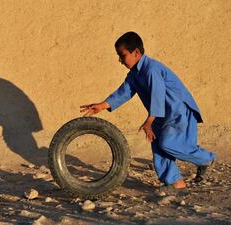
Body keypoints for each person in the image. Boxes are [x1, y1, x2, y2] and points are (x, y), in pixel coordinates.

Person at [80, 32, 215, 189]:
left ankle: (206, 159)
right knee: (158, 146)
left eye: (122, 56)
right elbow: (124, 92)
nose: (120, 61)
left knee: (169, 143)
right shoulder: (134, 75)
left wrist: (149, 121)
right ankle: (175, 182)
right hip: (160, 115)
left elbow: (157, 94)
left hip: (178, 112)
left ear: (136, 52)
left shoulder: (151, 69)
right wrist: (102, 105)